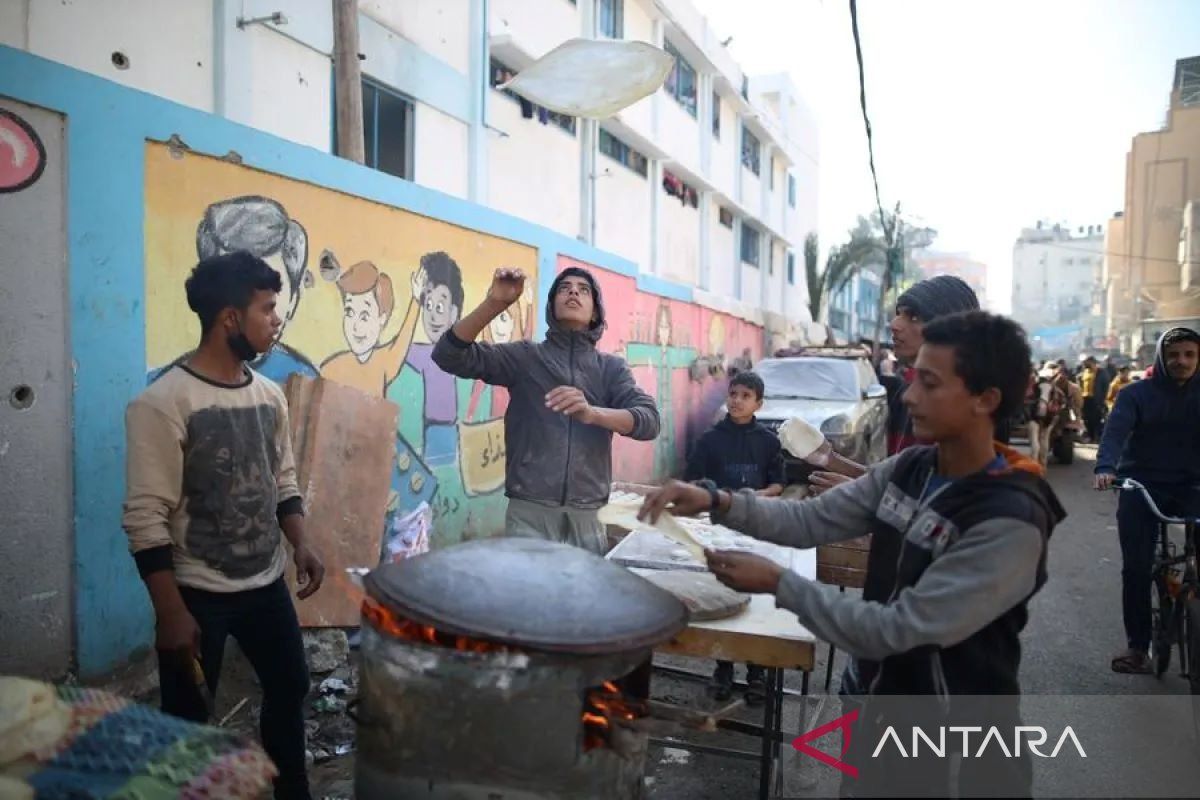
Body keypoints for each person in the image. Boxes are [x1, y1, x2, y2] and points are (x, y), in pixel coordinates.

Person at [640, 311, 1065, 797]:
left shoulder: (1009, 519)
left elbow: (898, 630)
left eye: (928, 383)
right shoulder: (913, 468)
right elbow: (810, 519)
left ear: (985, 399)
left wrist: (779, 583)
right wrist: (718, 501)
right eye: (911, 380)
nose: (908, 397)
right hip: (877, 701)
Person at [122, 252, 326, 800]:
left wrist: (300, 542)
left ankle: (294, 791)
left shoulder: (268, 395)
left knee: (290, 688)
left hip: (265, 587)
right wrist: (171, 613)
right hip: (197, 596)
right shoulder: (162, 403)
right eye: (267, 308)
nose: (276, 319)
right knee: (187, 723)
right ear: (230, 319)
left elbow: (282, 479)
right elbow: (146, 518)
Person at [432, 266, 660, 554]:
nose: (573, 291)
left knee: (583, 596)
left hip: (589, 514)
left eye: (584, 289)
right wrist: (495, 304)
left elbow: (649, 421)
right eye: (564, 288)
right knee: (529, 596)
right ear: (552, 307)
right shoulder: (526, 357)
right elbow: (448, 355)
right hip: (529, 510)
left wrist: (593, 414)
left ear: (595, 313)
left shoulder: (610, 369)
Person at [1094, 328, 1200, 674]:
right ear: (1161, 358)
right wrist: (1106, 467)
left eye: (1189, 355)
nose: (1181, 362)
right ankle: (1138, 647)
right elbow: (1115, 433)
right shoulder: (1135, 395)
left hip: (1192, 488)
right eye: (1174, 355)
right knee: (1136, 568)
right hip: (1141, 486)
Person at [684, 370, 784, 704]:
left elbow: (778, 484)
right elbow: (694, 481)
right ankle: (723, 668)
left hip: (759, 525)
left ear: (759, 403)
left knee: (759, 596)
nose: (737, 400)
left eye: (745, 395)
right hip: (720, 527)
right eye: (733, 393)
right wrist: (715, 497)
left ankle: (757, 673)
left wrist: (757, 498)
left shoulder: (769, 441)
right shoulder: (710, 439)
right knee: (725, 591)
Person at [319, 261, 422, 397]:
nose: (355, 326)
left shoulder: (383, 363)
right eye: (349, 312)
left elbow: (402, 342)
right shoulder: (330, 370)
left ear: (382, 318)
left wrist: (416, 300)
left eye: (364, 316)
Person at [1079, 356, 1103, 442]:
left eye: (1086, 362)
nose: (1085, 364)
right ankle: (1090, 436)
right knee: (1086, 418)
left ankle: (1097, 437)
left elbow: (1105, 387)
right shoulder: (1084, 372)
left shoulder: (1100, 372)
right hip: (1085, 399)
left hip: (1095, 399)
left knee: (1096, 419)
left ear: (1092, 362)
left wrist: (1102, 400)